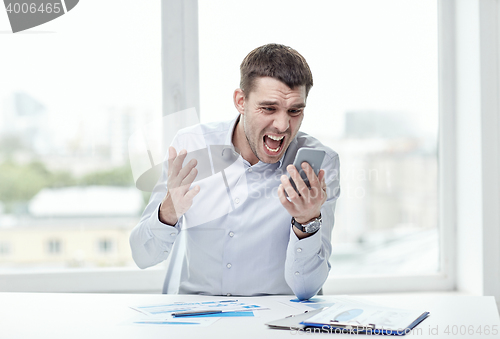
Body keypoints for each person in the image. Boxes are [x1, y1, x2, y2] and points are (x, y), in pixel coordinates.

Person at [129, 43, 340, 300]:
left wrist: (307, 222)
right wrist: (169, 212)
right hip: (197, 315)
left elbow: (308, 288)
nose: (283, 125)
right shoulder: (191, 147)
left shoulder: (319, 165)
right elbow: (142, 255)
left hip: (275, 320)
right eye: (269, 108)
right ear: (241, 101)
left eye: (295, 110)